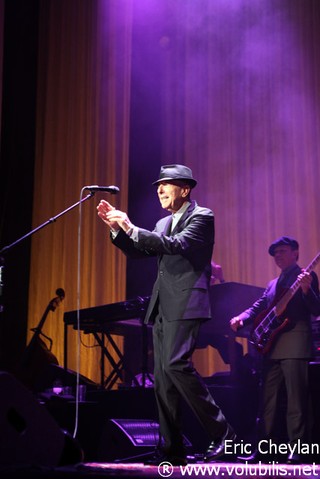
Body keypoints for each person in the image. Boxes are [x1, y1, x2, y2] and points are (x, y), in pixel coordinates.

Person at [97, 164, 235, 465]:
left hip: (188, 302)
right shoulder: (161, 224)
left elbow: (178, 245)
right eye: (158, 184)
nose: (159, 189)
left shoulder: (202, 216)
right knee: (163, 379)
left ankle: (225, 436)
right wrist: (116, 229)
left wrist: (131, 226)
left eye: (166, 184)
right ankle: (172, 450)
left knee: (176, 365)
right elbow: (140, 251)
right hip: (162, 305)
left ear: (184, 189)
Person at [230, 236, 320, 464]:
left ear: (295, 253)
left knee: (296, 401)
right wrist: (241, 317)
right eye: (275, 253)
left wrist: (308, 289)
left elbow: (316, 309)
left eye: (282, 251)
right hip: (271, 347)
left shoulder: (308, 277)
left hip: (295, 345)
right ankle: (264, 449)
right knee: (266, 401)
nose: (277, 256)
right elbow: (259, 306)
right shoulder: (271, 284)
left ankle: (297, 449)